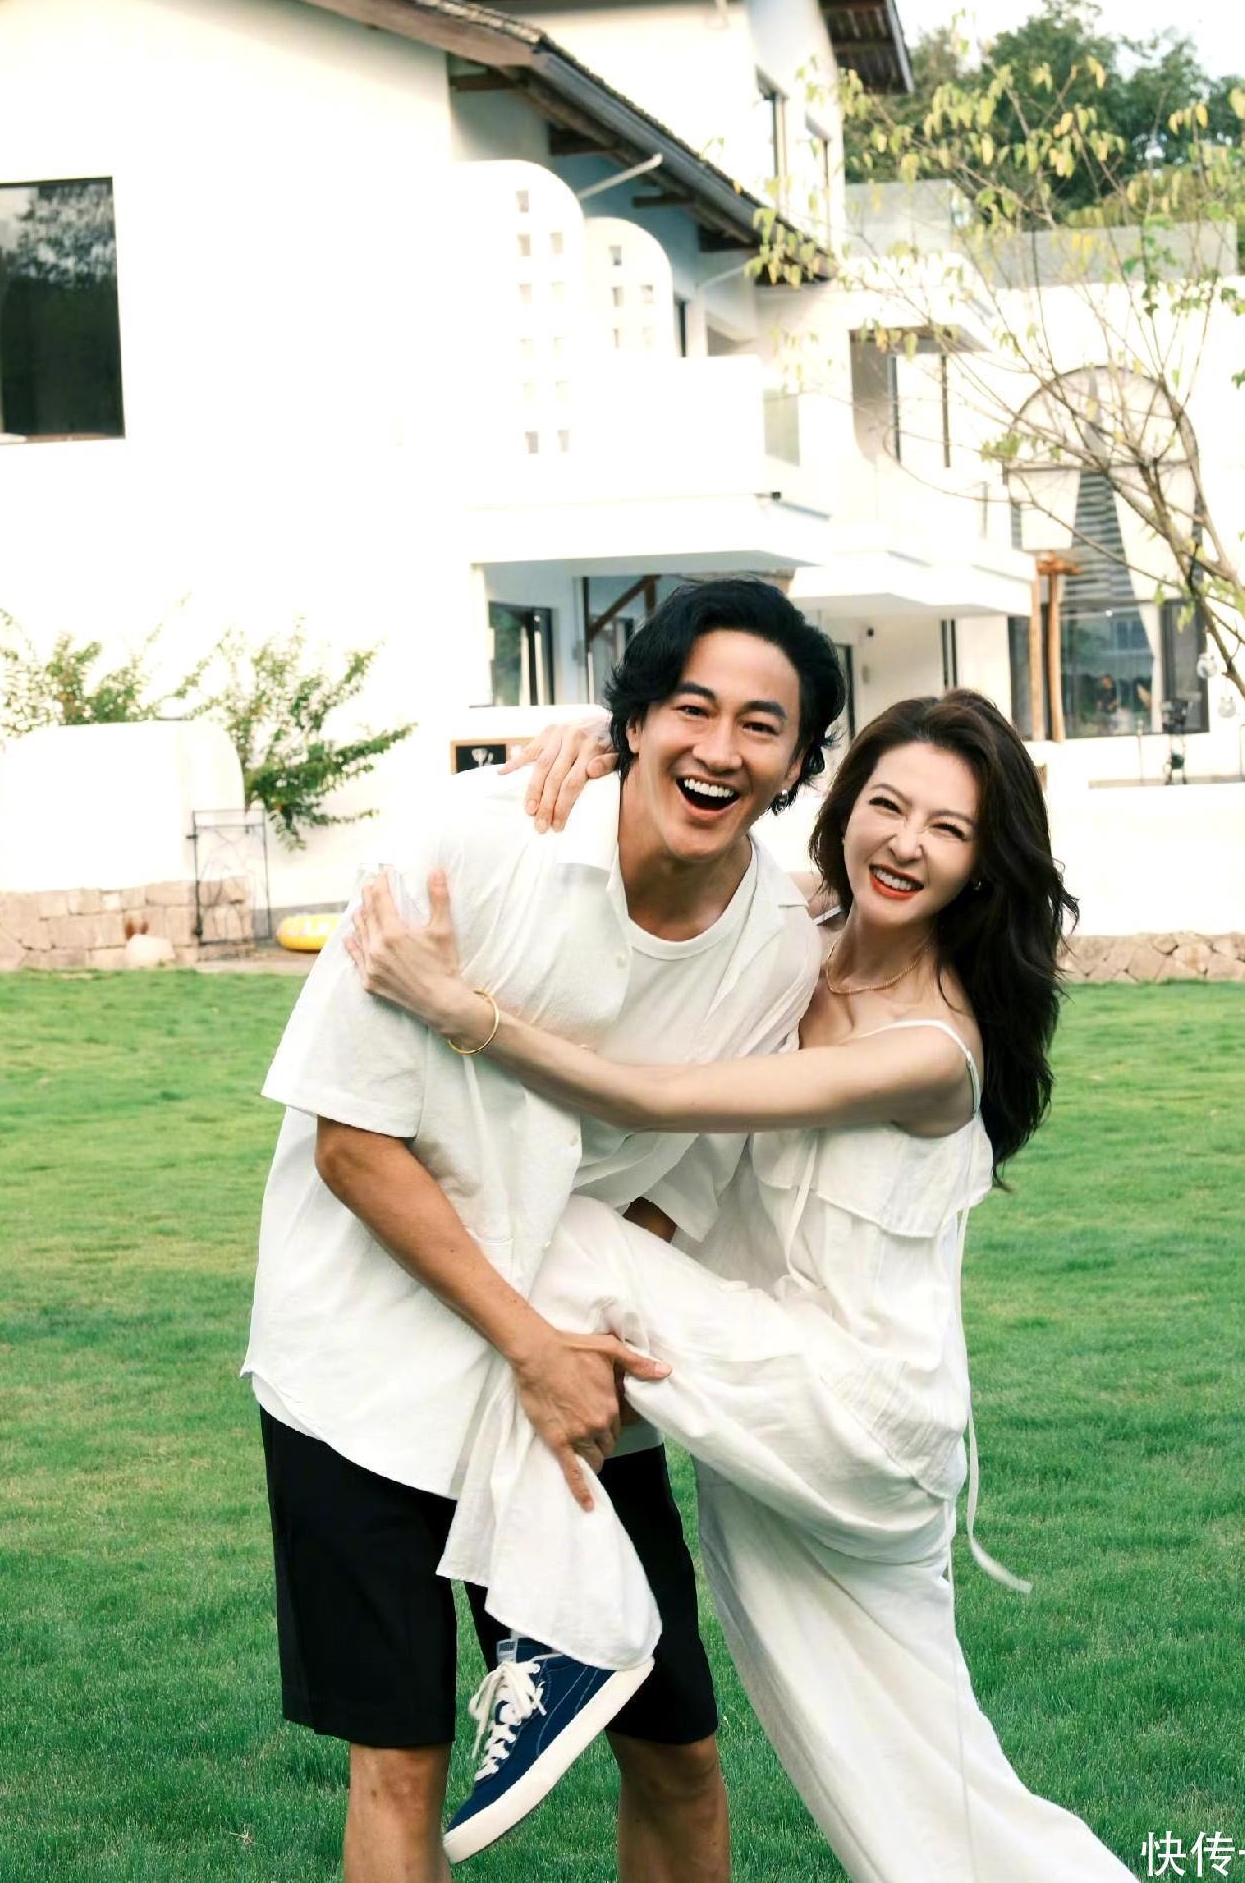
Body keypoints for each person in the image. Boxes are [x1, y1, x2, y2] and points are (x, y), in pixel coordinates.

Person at [348, 692, 1138, 1883]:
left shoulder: (932, 1048)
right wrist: (612, 740)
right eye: (886, 806)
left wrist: (464, 1013)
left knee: (552, 1242)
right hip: (779, 1393)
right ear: (842, 805)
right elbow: (697, 832)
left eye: (947, 829)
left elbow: (658, 1102)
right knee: (924, 1788)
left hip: (853, 1410)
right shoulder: (800, 931)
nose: (905, 844)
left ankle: (564, 1628)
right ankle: (564, 1623)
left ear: (986, 864)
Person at [244, 578, 845, 1883]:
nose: (720, 749)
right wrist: (530, 1343)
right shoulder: (471, 847)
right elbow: (352, 1146)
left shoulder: (777, 946)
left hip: (574, 1365)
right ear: (631, 720)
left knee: (675, 1745)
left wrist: (572, 1336)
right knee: (399, 1763)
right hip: (363, 1360)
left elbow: (690, 1169)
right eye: (691, 708)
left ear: (799, 761)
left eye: (762, 725)